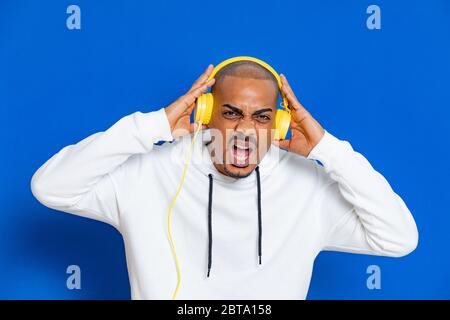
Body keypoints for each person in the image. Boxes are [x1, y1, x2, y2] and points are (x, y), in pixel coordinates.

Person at [31, 58, 418, 300]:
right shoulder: (150, 173)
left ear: (280, 123)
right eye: (231, 113)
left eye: (262, 117)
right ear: (204, 113)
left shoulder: (307, 189)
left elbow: (399, 239)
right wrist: (152, 126)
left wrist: (327, 150)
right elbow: (50, 187)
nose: (245, 130)